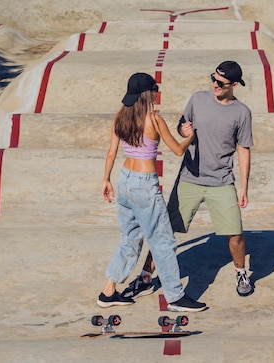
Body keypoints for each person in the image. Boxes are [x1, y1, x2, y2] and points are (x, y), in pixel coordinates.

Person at [122, 61, 254, 298]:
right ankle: (145, 276)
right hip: (189, 179)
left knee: (235, 233)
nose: (215, 84)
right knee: (165, 231)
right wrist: (183, 130)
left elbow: (243, 149)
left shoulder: (241, 113)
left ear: (234, 85)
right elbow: (182, 126)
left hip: (221, 181)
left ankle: (241, 272)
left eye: (221, 83)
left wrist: (244, 187)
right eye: (213, 78)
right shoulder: (197, 98)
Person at [97, 72, 207, 312]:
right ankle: (176, 297)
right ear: (149, 94)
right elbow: (178, 150)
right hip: (144, 185)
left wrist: (106, 180)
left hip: (124, 181)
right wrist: (190, 137)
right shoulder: (154, 120)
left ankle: (108, 292)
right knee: (163, 242)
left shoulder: (120, 117)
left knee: (130, 239)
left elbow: (111, 152)